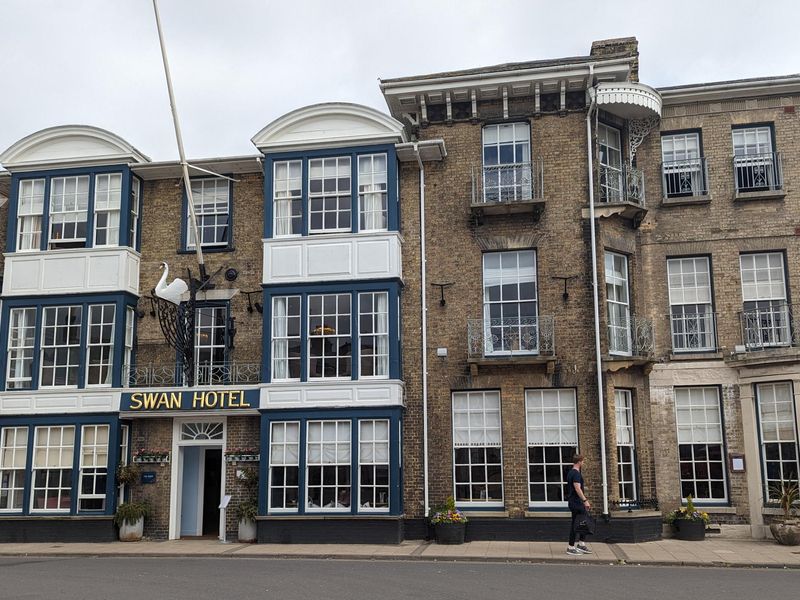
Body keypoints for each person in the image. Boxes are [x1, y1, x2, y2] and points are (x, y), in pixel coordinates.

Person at [566, 454, 592, 555]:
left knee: (583, 522)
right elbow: (577, 488)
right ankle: (571, 547)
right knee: (576, 524)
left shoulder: (571, 473)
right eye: (583, 461)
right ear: (579, 462)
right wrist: (585, 500)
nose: (583, 463)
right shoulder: (576, 474)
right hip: (576, 503)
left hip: (574, 502)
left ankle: (581, 544)